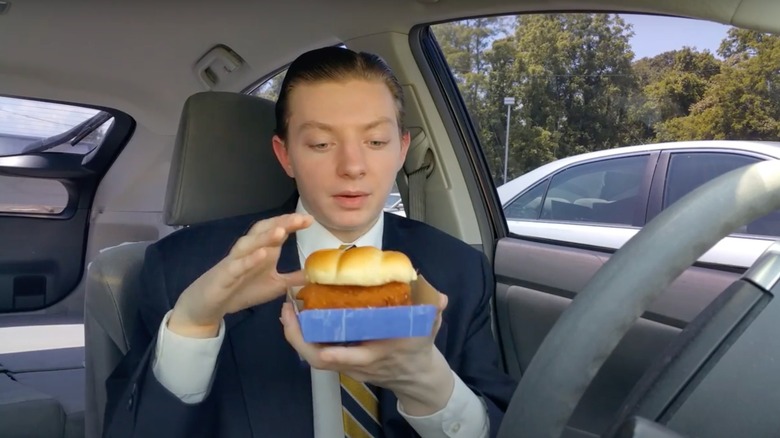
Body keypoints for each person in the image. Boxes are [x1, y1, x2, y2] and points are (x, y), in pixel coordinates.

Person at [103, 46, 517, 438]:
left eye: (375, 142)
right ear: (285, 156)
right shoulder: (184, 269)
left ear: (401, 149)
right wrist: (194, 325)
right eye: (321, 143)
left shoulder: (459, 269)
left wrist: (430, 385)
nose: (353, 167)